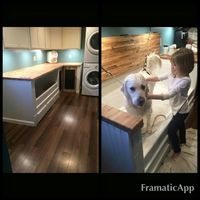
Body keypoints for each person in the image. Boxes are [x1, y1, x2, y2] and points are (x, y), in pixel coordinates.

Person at [146, 48, 194, 160]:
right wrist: (146, 78)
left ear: (185, 66)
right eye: (172, 64)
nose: (172, 67)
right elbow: (158, 78)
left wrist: (148, 96)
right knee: (181, 125)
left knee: (171, 130)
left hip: (181, 111)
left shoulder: (185, 80)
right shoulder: (173, 74)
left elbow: (168, 95)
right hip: (176, 108)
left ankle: (177, 150)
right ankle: (183, 140)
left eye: (174, 65)